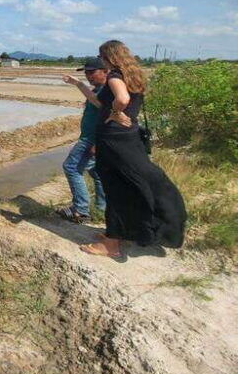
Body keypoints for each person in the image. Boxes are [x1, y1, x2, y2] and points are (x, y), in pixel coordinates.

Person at [81, 40, 187, 258]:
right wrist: (78, 84)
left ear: (109, 56)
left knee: (115, 187)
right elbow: (100, 102)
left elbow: (122, 99)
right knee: (128, 184)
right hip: (128, 139)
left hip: (113, 140)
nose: (100, 59)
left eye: (101, 56)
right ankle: (119, 232)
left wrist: (115, 112)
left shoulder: (114, 76)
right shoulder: (133, 76)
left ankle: (111, 245)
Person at [56, 57, 108, 223]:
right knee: (96, 173)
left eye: (92, 72)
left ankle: (81, 209)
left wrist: (97, 142)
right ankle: (102, 209)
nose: (88, 75)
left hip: (91, 139)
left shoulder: (106, 90)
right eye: (86, 72)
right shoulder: (99, 88)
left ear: (105, 71)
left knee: (70, 167)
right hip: (92, 138)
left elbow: (105, 113)